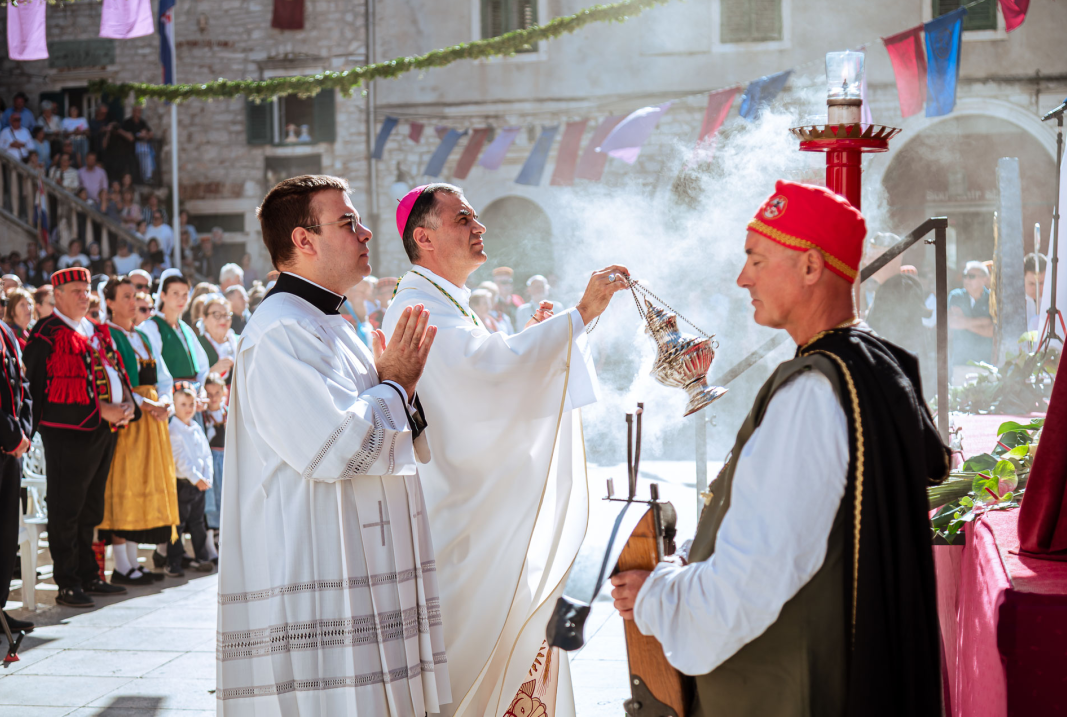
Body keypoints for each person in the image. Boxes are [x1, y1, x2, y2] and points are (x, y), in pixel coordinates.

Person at [611, 180, 947, 717]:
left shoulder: (811, 394)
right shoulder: (873, 365)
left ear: (810, 266)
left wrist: (656, 595)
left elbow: (748, 582)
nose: (742, 277)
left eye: (757, 259)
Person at [384, 183, 628, 717]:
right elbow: (488, 376)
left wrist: (535, 345)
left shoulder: (445, 301)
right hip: (462, 521)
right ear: (424, 237)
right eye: (463, 218)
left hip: (479, 514)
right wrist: (579, 315)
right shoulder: (417, 307)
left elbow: (490, 374)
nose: (480, 226)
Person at [216, 174, 449, 716]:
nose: (365, 233)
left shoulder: (332, 321)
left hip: (364, 557)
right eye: (348, 222)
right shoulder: (280, 330)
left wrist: (398, 387)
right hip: (319, 560)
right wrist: (395, 384)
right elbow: (334, 448)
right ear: (304, 240)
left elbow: (382, 419)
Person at [23, 267, 136, 608]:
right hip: (67, 435)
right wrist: (102, 409)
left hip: (103, 431)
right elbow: (36, 389)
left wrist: (128, 402)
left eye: (87, 290)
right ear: (56, 295)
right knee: (67, 509)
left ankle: (89, 574)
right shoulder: (46, 332)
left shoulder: (95, 329)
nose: (84, 296)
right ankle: (68, 582)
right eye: (76, 290)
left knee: (91, 507)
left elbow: (115, 369)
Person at [99, 276, 177, 586]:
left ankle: (132, 561)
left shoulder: (143, 337)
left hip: (151, 422)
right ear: (109, 302)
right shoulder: (107, 335)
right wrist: (148, 404)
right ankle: (121, 563)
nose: (134, 302)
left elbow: (163, 377)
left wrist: (166, 401)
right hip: (129, 421)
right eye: (126, 297)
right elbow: (117, 381)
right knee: (125, 483)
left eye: (135, 296)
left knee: (142, 483)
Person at [0, 258, 34, 644]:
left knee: (5, 534)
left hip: (11, 449)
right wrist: (9, 433)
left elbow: (23, 386)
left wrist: (25, 431)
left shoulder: (3, 329)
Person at [167, 382, 215, 576]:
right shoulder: (173, 429)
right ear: (174, 406)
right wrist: (196, 478)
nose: (188, 409)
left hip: (199, 485)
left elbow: (206, 454)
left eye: (191, 404)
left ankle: (201, 557)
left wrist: (207, 476)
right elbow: (180, 459)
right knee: (177, 525)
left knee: (197, 522)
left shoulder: (196, 427)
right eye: (183, 405)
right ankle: (173, 562)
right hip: (184, 484)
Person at [140, 269, 209, 386]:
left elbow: (202, 365)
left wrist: (200, 389)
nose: (181, 299)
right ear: (163, 295)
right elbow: (155, 368)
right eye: (175, 293)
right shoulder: (151, 327)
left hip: (193, 392)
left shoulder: (185, 329)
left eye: (185, 294)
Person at [948, 260, 994, 384]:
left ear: (984, 279)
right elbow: (953, 323)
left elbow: (991, 331)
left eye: (971, 276)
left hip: (985, 363)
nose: (966, 279)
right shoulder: (956, 296)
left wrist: (963, 323)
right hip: (960, 362)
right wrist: (984, 321)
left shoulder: (991, 299)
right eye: (965, 276)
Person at [201, 373, 227, 555]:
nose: (213, 398)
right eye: (209, 394)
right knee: (211, 500)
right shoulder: (203, 416)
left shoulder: (228, 413)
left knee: (225, 496)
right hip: (210, 460)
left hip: (225, 459)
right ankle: (211, 537)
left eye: (217, 393)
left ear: (224, 391)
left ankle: (224, 535)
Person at [197, 293, 237, 384]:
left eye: (226, 315)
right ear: (204, 318)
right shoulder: (197, 344)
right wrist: (212, 372)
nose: (223, 320)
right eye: (216, 315)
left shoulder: (237, 341)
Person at [1024, 252, 1048, 336]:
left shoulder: (1054, 302)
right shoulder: (1015, 302)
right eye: (1031, 284)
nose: (1036, 288)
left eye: (1041, 283)